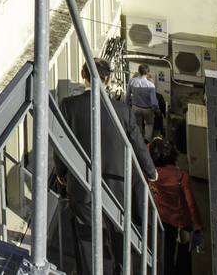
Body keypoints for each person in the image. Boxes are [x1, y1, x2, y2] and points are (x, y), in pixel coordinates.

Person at [58, 59, 157, 275]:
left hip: (83, 185)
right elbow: (138, 143)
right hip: (118, 186)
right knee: (120, 233)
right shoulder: (122, 110)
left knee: (87, 236)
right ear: (108, 79)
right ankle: (122, 269)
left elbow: (61, 144)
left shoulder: (69, 105)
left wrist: (62, 174)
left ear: (84, 76)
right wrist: (151, 172)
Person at [147, 138, 204, 275]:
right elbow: (191, 204)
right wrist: (198, 226)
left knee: (167, 252)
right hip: (182, 222)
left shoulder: (152, 175)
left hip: (163, 218)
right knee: (184, 254)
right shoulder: (182, 177)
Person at [127, 63, 159, 142]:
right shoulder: (151, 85)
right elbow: (154, 101)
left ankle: (138, 140)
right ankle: (147, 141)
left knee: (137, 125)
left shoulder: (132, 81)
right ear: (148, 73)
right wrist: (156, 109)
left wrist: (128, 105)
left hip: (135, 107)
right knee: (149, 124)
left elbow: (127, 95)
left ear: (139, 71)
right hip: (147, 109)